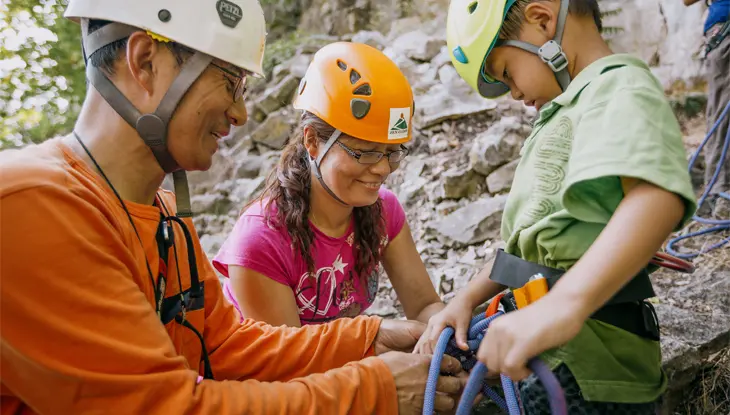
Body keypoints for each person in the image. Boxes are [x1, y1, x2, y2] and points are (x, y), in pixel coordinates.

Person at [0, 1, 467, 414]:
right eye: (231, 81)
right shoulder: (33, 205)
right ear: (144, 61)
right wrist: (375, 389)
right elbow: (168, 406)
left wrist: (370, 338)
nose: (241, 113)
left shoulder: (164, 217)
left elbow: (224, 345)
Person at [416, 0, 698, 413]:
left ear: (542, 20)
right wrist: (465, 300)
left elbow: (656, 196)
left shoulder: (619, 86)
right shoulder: (565, 110)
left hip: (596, 373)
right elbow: (524, 250)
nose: (512, 93)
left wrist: (563, 307)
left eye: (507, 72)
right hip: (550, 354)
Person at [212, 42, 445, 327]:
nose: (383, 168)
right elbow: (290, 362)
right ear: (312, 141)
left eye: (391, 152)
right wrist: (377, 343)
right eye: (365, 152)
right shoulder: (262, 239)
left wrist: (442, 332)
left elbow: (424, 307)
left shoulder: (384, 211)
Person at [684, 0, 730, 216]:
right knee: (723, 115)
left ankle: (718, 194)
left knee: (722, 115)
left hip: (723, 29)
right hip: (724, 30)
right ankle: (719, 194)